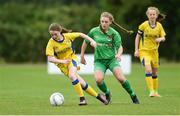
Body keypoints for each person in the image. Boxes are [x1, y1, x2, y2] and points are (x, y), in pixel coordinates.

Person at [80, 12, 139, 104]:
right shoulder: (93, 31)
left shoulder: (114, 33)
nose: (103, 23)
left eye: (106, 22)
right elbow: (85, 42)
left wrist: (119, 55)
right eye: (102, 21)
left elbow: (120, 47)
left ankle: (133, 95)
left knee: (121, 79)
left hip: (112, 60)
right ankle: (107, 93)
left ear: (110, 22)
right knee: (98, 80)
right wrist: (82, 56)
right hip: (99, 61)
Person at [46, 23, 108, 105]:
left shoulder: (67, 36)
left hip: (72, 59)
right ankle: (100, 97)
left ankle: (82, 99)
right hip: (63, 66)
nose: (53, 36)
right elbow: (50, 58)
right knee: (82, 84)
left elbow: (81, 34)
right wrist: (62, 61)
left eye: (55, 34)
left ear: (60, 31)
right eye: (51, 34)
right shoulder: (51, 43)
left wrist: (92, 41)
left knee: (72, 75)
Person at [134, 7, 166, 97]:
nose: (152, 16)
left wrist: (160, 39)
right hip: (144, 51)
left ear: (156, 15)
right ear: (147, 15)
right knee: (148, 70)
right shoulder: (143, 25)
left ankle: (155, 92)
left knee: (155, 72)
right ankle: (151, 91)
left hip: (154, 52)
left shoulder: (159, 26)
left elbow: (163, 37)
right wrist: (136, 50)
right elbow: (137, 37)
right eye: (150, 14)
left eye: (153, 14)